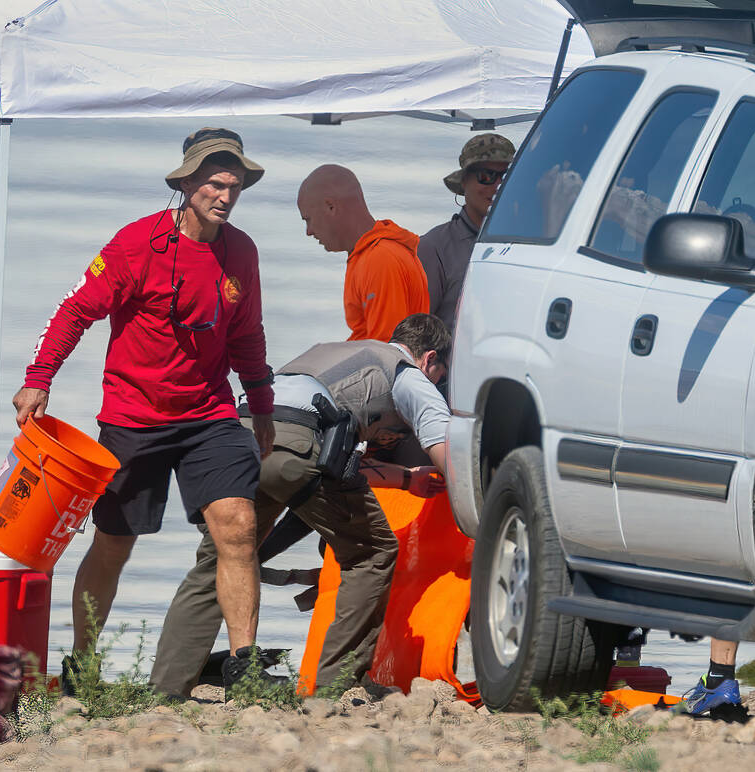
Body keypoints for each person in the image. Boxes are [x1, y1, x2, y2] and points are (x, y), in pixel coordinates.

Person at [13, 127, 277, 689]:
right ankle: (82, 665)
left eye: (235, 186)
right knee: (113, 543)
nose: (225, 196)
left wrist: (260, 406)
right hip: (134, 416)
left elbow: (247, 335)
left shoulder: (242, 252)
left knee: (238, 526)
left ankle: (244, 668)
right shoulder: (137, 244)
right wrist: (39, 380)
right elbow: (74, 311)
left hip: (209, 414)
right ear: (186, 184)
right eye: (214, 184)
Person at [151, 314, 452, 697]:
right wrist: (477, 502)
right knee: (373, 552)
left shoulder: (331, 356)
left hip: (238, 436)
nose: (437, 382)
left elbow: (333, 457)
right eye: (439, 375)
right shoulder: (406, 373)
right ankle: (337, 686)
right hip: (292, 447)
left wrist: (408, 479)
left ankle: (166, 689)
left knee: (220, 560)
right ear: (429, 359)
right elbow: (444, 444)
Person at [297, 164, 429, 341]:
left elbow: (387, 353)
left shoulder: (381, 259)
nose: (309, 231)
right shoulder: (364, 255)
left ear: (330, 206)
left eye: (308, 219)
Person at [417, 133, 515, 335]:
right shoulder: (434, 247)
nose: (497, 186)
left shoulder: (533, 243)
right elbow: (418, 332)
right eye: (485, 176)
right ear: (464, 181)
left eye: (505, 176)